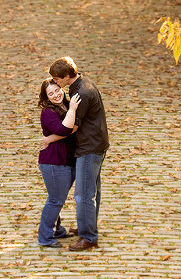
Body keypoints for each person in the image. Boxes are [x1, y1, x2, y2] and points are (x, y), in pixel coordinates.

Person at [48, 57, 109, 251]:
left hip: (89, 147)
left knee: (83, 194)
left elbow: (72, 127)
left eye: (56, 79)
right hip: (96, 143)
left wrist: (50, 138)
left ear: (67, 76)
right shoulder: (81, 84)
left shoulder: (81, 92)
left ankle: (89, 237)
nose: (55, 82)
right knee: (92, 191)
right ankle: (88, 226)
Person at [37, 78, 81, 248]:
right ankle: (45, 237)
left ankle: (57, 230)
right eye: (51, 93)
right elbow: (65, 129)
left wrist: (49, 138)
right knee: (55, 200)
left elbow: (77, 126)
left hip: (67, 160)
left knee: (57, 198)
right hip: (54, 163)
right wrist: (73, 110)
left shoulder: (67, 104)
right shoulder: (48, 112)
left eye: (57, 90)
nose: (55, 95)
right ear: (46, 97)